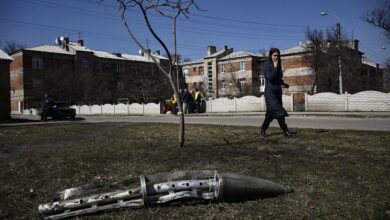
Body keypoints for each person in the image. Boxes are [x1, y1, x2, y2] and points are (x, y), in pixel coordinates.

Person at [260, 48, 292, 138]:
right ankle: (286, 131)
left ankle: (263, 130)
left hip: (277, 93)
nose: (276, 57)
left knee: (270, 115)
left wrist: (283, 84)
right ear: (270, 56)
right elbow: (270, 77)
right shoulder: (267, 65)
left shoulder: (277, 65)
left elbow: (277, 78)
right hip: (270, 94)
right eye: (274, 55)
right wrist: (274, 67)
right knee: (279, 112)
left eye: (277, 55)